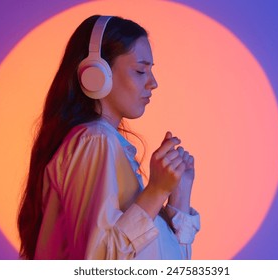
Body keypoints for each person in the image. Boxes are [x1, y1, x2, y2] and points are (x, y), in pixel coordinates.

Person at [17, 15, 200, 260]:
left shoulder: (103, 144)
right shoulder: (95, 141)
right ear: (97, 74)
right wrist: (156, 190)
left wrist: (178, 198)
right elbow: (98, 262)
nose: (153, 83)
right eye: (140, 70)